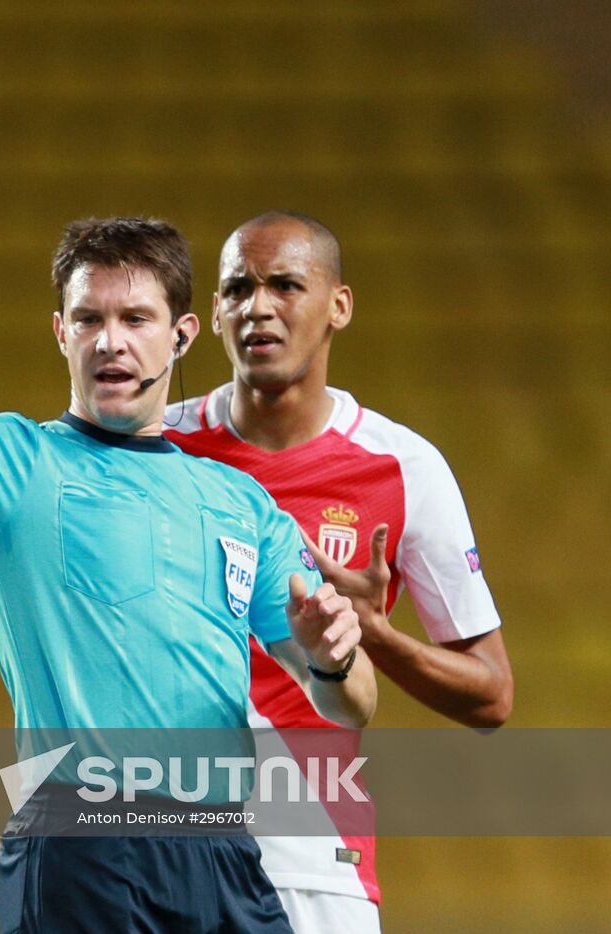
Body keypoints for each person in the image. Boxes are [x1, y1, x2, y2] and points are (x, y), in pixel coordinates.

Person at [0, 161, 377, 933]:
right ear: (60, 332)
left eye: (135, 320)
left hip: (223, 847)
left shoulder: (242, 504)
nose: (111, 342)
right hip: (83, 842)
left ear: (181, 336)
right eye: (89, 319)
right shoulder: (10, 465)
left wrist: (334, 657)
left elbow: (348, 703)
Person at [160, 210, 513, 932]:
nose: (258, 306)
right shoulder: (155, 447)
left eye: (285, 285)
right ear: (213, 315)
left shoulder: (403, 467)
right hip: (150, 832)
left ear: (339, 306)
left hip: (311, 844)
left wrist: (372, 633)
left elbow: (491, 696)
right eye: (237, 289)